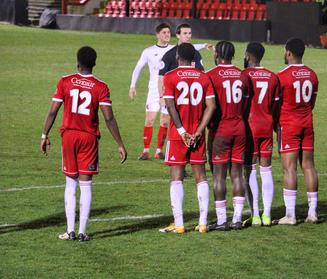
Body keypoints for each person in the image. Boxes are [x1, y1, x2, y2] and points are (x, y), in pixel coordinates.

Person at [40, 46, 128, 241]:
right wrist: (120, 143)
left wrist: (44, 134)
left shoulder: (65, 81)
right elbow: (109, 118)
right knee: (86, 184)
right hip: (88, 138)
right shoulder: (100, 86)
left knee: (70, 182)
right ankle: (82, 232)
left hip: (69, 136)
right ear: (94, 63)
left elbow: (53, 111)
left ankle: (70, 230)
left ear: (77, 62)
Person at [159, 43, 216, 234]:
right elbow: (211, 107)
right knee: (201, 176)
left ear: (177, 56)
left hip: (178, 135)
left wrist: (182, 131)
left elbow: (171, 107)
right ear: (194, 58)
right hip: (198, 135)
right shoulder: (204, 77)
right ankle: (202, 223)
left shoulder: (169, 77)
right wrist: (199, 131)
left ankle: (180, 224)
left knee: (176, 177)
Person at [130, 23, 209, 160]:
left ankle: (160, 150)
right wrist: (135, 86)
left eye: (190, 33)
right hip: (160, 91)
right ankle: (146, 150)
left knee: (166, 121)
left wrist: (204, 45)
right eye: (185, 33)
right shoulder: (158, 52)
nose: (188, 36)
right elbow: (152, 73)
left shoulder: (191, 53)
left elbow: (200, 69)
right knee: (150, 119)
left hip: (183, 95)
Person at [206, 41, 250, 231]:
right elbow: (246, 106)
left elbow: (208, 107)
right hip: (240, 127)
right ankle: (238, 219)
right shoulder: (242, 75)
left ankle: (222, 220)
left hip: (220, 130)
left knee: (219, 176)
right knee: (237, 175)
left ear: (217, 55)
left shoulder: (211, 75)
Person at [276, 38, 319, 225]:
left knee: (289, 168)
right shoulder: (312, 74)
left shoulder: (282, 76)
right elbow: (312, 104)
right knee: (308, 166)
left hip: (289, 124)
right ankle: (312, 212)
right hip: (307, 122)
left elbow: (275, 105)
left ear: (289, 53)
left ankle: (291, 215)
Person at [241, 42, 280, 227]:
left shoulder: (245, 75)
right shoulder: (273, 77)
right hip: (267, 126)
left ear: (248, 56)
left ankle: (255, 214)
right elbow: (275, 106)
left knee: (250, 170)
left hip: (250, 128)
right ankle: (268, 214)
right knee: (267, 171)